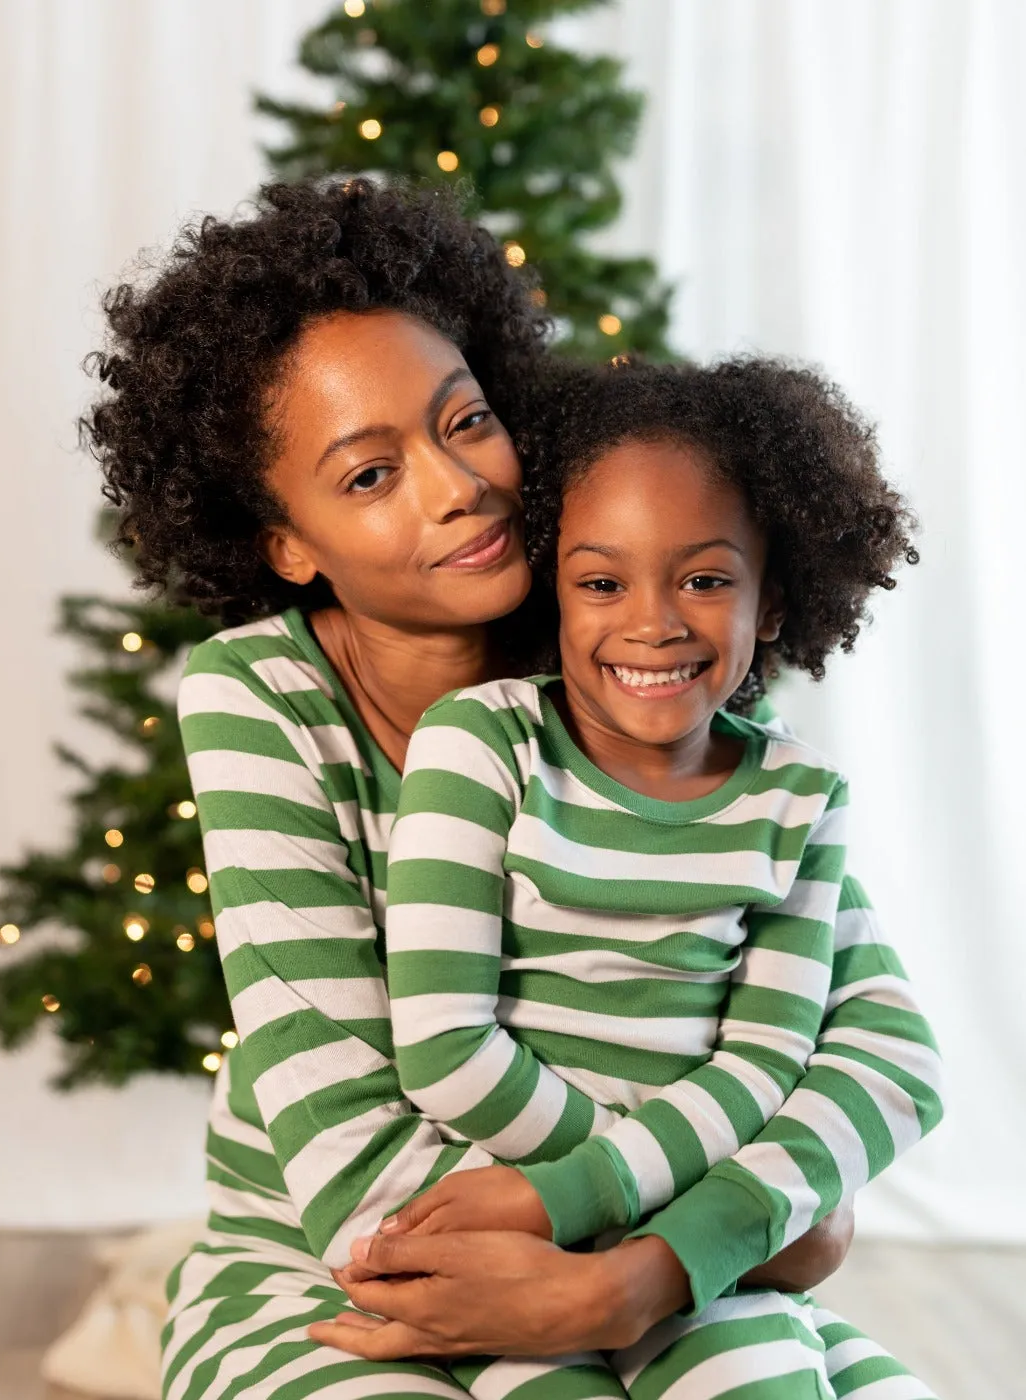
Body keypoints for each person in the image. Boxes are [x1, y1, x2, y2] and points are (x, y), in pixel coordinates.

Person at [82, 178, 944, 1400]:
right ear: (287, 540)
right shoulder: (259, 697)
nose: (453, 485)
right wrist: (696, 1223)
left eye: (463, 420)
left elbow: (873, 1037)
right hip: (351, 1262)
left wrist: (640, 1277)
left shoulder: (633, 646)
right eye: (368, 475)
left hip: (670, 1261)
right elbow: (349, 1155)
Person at [379, 358, 926, 1398]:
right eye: (600, 580)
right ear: (553, 583)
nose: (652, 620)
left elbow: (767, 1054)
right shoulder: (479, 746)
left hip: (682, 1248)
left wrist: (627, 1212)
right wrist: (585, 1198)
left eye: (705, 578)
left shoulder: (799, 798)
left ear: (773, 600)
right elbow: (445, 1047)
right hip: (512, 1214)